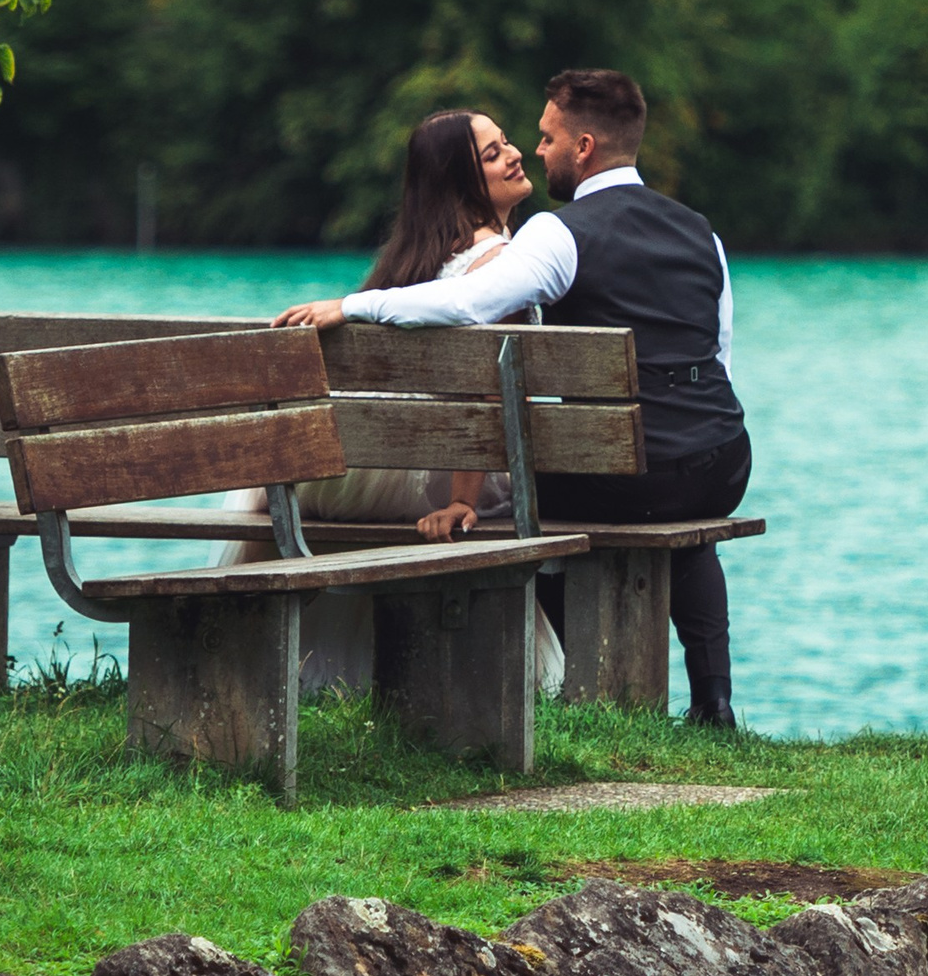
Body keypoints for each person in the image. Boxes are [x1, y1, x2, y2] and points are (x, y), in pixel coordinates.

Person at [278, 65, 749, 728]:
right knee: (684, 522)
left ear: (583, 147)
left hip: (619, 478)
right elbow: (720, 352)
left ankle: (570, 687)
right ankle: (714, 701)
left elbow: (472, 301)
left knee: (546, 491)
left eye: (548, 136)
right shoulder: (705, 232)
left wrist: (355, 304)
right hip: (719, 466)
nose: (539, 150)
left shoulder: (559, 233)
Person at [230, 108, 559, 694]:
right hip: (437, 476)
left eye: (507, 143)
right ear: (461, 182)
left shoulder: (408, 263)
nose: (514, 155)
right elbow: (486, 396)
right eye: (491, 154)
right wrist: (464, 500)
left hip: (355, 471)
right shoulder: (499, 264)